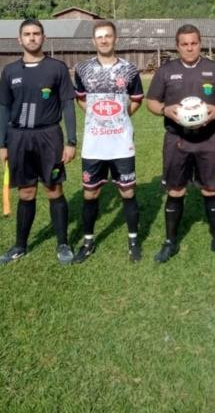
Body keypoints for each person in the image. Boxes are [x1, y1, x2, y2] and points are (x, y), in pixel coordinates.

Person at [146, 24, 215, 263]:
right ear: (177, 46)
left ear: (200, 43)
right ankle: (170, 243)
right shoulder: (166, 71)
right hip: (177, 139)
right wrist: (166, 110)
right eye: (184, 44)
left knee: (211, 189)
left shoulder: (214, 69)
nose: (189, 48)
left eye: (193, 43)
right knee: (176, 189)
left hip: (208, 139)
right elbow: (152, 102)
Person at [0, 19, 78, 266]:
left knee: (54, 189)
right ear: (19, 39)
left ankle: (63, 244)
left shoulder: (57, 68)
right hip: (18, 138)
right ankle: (20, 245)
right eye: (27, 34)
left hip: (49, 136)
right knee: (26, 192)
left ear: (44, 37)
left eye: (36, 33)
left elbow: (68, 106)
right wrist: (2, 144)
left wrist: (71, 141)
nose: (32, 38)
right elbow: (4, 109)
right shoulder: (10, 71)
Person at [72, 20, 144, 263]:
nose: (104, 40)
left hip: (121, 143)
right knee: (90, 194)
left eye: (108, 36)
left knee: (127, 191)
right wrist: (97, 117)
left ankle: (133, 240)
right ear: (93, 41)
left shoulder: (129, 70)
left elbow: (136, 100)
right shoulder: (82, 69)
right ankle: (89, 241)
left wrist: (118, 117)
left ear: (116, 39)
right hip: (93, 144)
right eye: (99, 37)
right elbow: (81, 99)